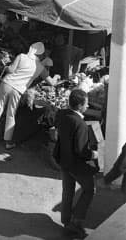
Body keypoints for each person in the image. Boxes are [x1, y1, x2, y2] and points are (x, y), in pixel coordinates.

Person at [0, 42, 50, 149]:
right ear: (41, 54)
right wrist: (56, 77)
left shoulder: (21, 56)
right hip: (18, 89)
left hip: (6, 83)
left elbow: (11, 70)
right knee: (11, 114)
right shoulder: (41, 67)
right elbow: (51, 82)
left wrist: (5, 65)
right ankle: (8, 142)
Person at [54, 89, 99, 237]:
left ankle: (66, 220)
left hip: (63, 160)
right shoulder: (80, 123)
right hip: (76, 164)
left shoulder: (61, 114)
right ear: (79, 105)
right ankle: (76, 222)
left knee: (68, 191)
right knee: (89, 189)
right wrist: (94, 154)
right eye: (86, 104)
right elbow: (81, 150)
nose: (87, 106)